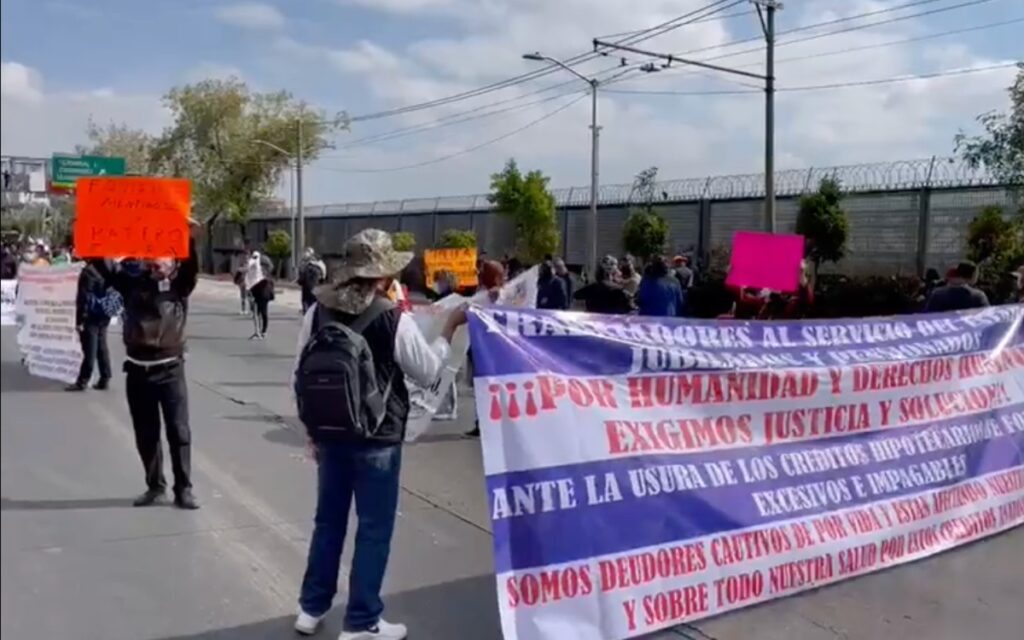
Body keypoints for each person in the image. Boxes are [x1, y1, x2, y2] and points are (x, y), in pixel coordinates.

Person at [293, 229, 466, 640]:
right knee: (373, 529)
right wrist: (446, 332)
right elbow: (426, 372)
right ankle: (362, 621)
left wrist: (312, 431)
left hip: (331, 435)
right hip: (377, 439)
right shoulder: (392, 317)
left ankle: (310, 609)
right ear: (383, 275)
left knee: (327, 523)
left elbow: (298, 374)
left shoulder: (316, 313)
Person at [94, 223, 200, 510]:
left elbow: (191, 264)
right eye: (153, 256)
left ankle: (184, 488)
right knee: (146, 432)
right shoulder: (132, 283)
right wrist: (88, 230)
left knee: (179, 432)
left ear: (174, 261)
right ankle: (155, 486)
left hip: (170, 371)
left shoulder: (180, 286)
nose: (158, 262)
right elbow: (103, 266)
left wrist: (186, 235)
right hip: (138, 370)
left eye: (165, 256)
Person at [66, 259, 113, 392]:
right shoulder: (111, 269)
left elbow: (83, 298)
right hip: (105, 312)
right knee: (102, 346)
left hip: (91, 314)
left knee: (89, 348)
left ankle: (83, 380)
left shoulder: (88, 272)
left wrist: (79, 320)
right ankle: (105, 376)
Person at [924, 260, 990, 312]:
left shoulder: (937, 294)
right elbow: (986, 317)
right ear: (973, 277)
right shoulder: (978, 296)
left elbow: (928, 316)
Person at [245, 250, 274, 339]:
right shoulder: (251, 266)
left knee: (263, 312)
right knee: (255, 313)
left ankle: (263, 331)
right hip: (254, 290)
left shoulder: (263, 268)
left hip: (263, 291)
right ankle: (257, 331)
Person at [299, 247, 327, 312]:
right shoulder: (319, 264)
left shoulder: (305, 264)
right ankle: (313, 312)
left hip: (306, 286)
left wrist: (300, 281)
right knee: (314, 301)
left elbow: (301, 275)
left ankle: (306, 312)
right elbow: (323, 274)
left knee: (305, 300)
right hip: (316, 286)